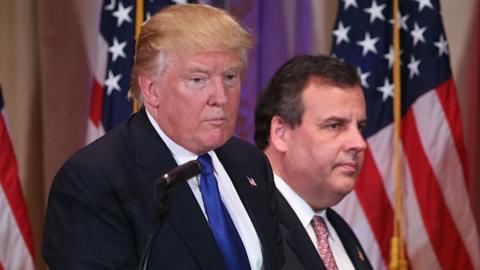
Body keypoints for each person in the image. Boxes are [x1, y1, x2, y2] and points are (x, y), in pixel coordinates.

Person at [43, 4, 284, 270]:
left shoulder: (250, 163)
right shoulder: (95, 180)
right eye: (198, 79)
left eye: (230, 77)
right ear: (152, 90)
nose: (221, 97)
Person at [255, 55, 373, 270]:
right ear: (281, 133)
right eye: (335, 126)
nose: (359, 143)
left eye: (361, 127)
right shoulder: (248, 222)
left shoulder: (339, 231)